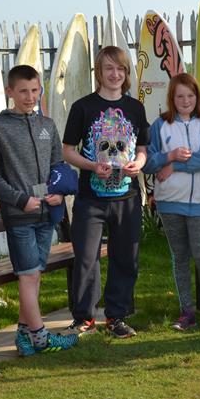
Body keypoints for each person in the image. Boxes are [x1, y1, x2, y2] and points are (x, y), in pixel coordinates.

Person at [0, 64, 78, 356]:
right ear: (9, 92)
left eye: (35, 90)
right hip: (19, 216)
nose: (29, 97)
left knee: (34, 273)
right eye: (23, 91)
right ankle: (40, 337)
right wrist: (19, 199)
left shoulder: (47, 125)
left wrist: (57, 193)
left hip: (45, 215)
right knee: (28, 275)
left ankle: (24, 335)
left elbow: (56, 168)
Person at [62, 46, 149, 338]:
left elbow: (142, 149)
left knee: (125, 257)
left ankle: (117, 316)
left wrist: (139, 163)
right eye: (109, 69)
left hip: (127, 197)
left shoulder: (135, 108)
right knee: (86, 258)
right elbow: (67, 152)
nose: (115, 74)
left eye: (121, 69)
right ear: (99, 72)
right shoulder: (82, 107)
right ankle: (83, 317)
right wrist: (90, 165)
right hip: (91, 198)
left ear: (126, 74)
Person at [143, 73, 200, 331]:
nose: (185, 100)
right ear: (172, 98)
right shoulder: (160, 125)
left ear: (197, 97)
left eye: (190, 95)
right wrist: (169, 155)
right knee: (179, 257)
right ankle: (186, 311)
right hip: (169, 202)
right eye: (180, 96)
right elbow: (150, 163)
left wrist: (174, 165)